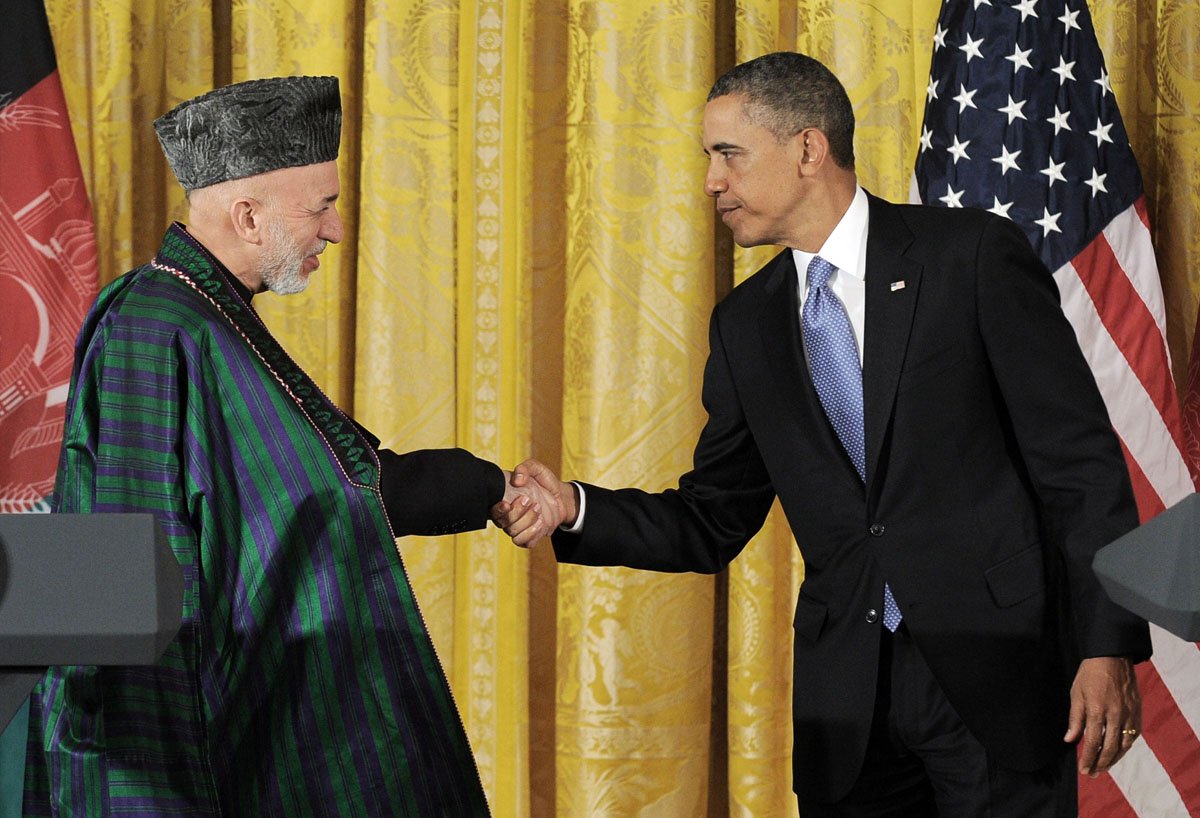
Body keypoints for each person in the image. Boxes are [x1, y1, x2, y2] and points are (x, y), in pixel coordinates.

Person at [498, 52, 1151, 817]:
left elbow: (1077, 464)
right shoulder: (746, 326)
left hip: (997, 682)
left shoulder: (968, 257)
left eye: (728, 155)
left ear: (808, 149)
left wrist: (1106, 645)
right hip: (850, 705)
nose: (712, 181)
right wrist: (574, 508)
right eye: (709, 159)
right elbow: (712, 517)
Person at [23, 76, 560, 816]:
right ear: (248, 215)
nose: (336, 230)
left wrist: (489, 484)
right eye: (323, 206)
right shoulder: (153, 326)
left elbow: (341, 483)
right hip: (186, 755)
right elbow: (119, 576)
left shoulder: (213, 314)